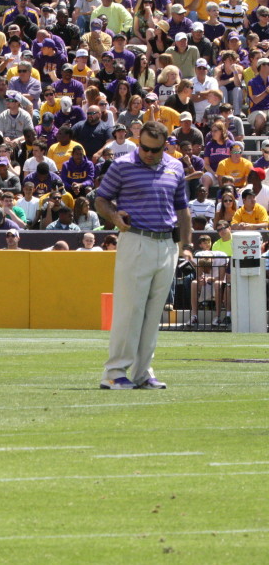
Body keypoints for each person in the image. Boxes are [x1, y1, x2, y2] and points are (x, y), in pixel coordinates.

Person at [94, 121, 190, 390]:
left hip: (166, 244)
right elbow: (101, 199)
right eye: (145, 148)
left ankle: (142, 372)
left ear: (165, 145)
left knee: (152, 313)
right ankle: (114, 372)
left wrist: (186, 244)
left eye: (155, 150)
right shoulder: (122, 165)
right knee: (130, 310)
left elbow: (182, 208)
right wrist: (113, 215)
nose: (149, 154)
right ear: (139, 142)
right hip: (136, 239)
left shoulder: (175, 166)